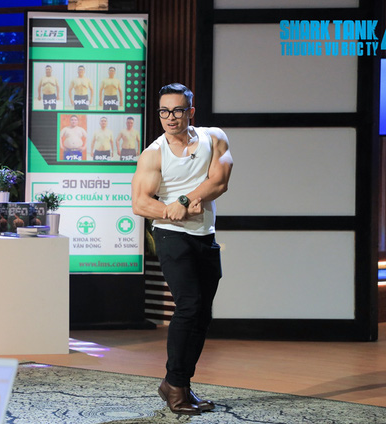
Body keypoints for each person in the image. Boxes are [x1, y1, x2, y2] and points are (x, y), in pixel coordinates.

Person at [131, 83, 233, 415]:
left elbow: (220, 180)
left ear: (191, 111)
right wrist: (170, 210)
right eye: (164, 111)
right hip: (171, 235)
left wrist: (186, 200)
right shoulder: (153, 153)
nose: (170, 117)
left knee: (202, 314)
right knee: (189, 306)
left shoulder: (213, 138)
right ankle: (175, 386)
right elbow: (139, 203)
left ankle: (180, 384)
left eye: (177, 110)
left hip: (205, 235)